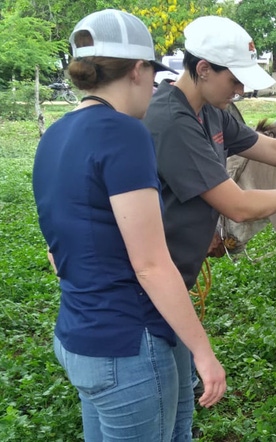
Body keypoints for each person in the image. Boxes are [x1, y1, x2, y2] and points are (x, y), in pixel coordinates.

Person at [143, 15, 276, 431]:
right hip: (145, 285)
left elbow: (264, 146)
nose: (239, 90)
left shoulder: (213, 109)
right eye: (234, 81)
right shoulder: (172, 120)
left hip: (174, 282)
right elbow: (235, 205)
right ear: (203, 69)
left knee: (178, 414)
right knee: (154, 414)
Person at [32, 10, 227, 440]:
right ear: (138, 70)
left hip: (78, 337)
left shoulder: (54, 136)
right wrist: (205, 352)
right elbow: (151, 265)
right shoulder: (124, 133)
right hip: (128, 347)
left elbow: (56, 252)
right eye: (155, 74)